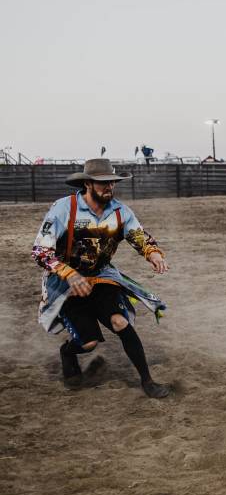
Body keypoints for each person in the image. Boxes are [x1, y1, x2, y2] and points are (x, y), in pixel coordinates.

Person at [32, 158, 172, 398]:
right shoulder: (63, 209)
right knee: (88, 344)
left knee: (120, 322)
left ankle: (147, 381)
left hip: (101, 276)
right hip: (66, 283)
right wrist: (69, 273)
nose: (109, 188)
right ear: (87, 183)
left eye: (112, 183)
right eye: (103, 183)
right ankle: (68, 352)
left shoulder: (120, 211)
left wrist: (153, 253)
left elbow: (139, 237)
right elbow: (40, 251)